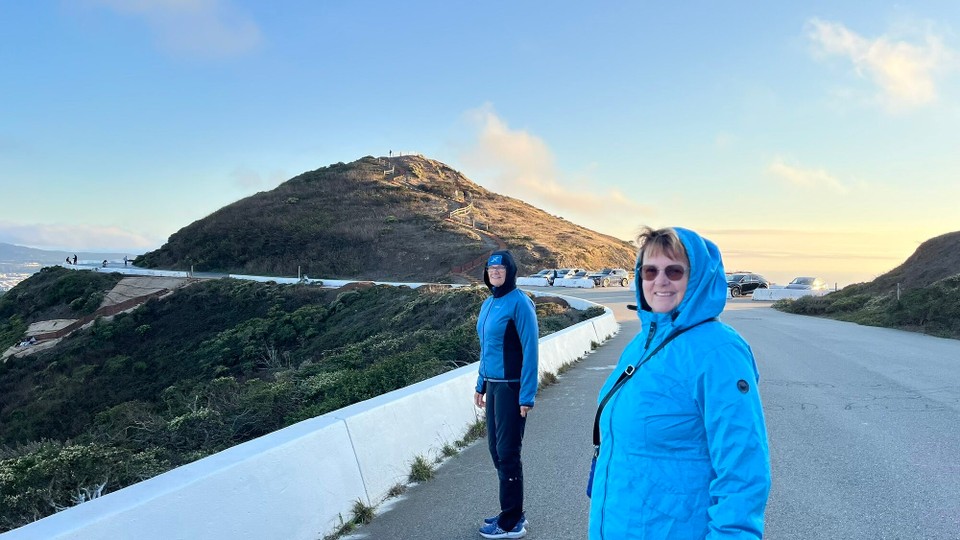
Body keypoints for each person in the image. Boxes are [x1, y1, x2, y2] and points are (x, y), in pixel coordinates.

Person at [588, 227, 771, 539]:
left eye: (674, 271)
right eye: (650, 270)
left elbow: (743, 469)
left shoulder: (719, 352)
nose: (660, 280)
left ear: (697, 277)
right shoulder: (644, 341)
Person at [474, 251, 539, 539]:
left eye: (501, 268)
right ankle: (512, 510)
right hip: (494, 385)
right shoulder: (489, 303)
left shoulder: (520, 303)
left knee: (508, 453)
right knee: (495, 451)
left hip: (512, 387)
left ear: (510, 271)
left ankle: (512, 521)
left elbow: (531, 351)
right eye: (491, 268)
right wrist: (481, 383)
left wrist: (527, 396)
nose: (496, 272)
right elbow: (486, 348)